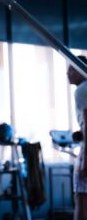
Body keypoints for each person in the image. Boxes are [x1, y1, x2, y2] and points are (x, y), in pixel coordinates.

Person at [67, 55, 87, 220]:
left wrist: (85, 162)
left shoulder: (82, 90)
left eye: (72, 68)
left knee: (81, 199)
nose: (68, 72)